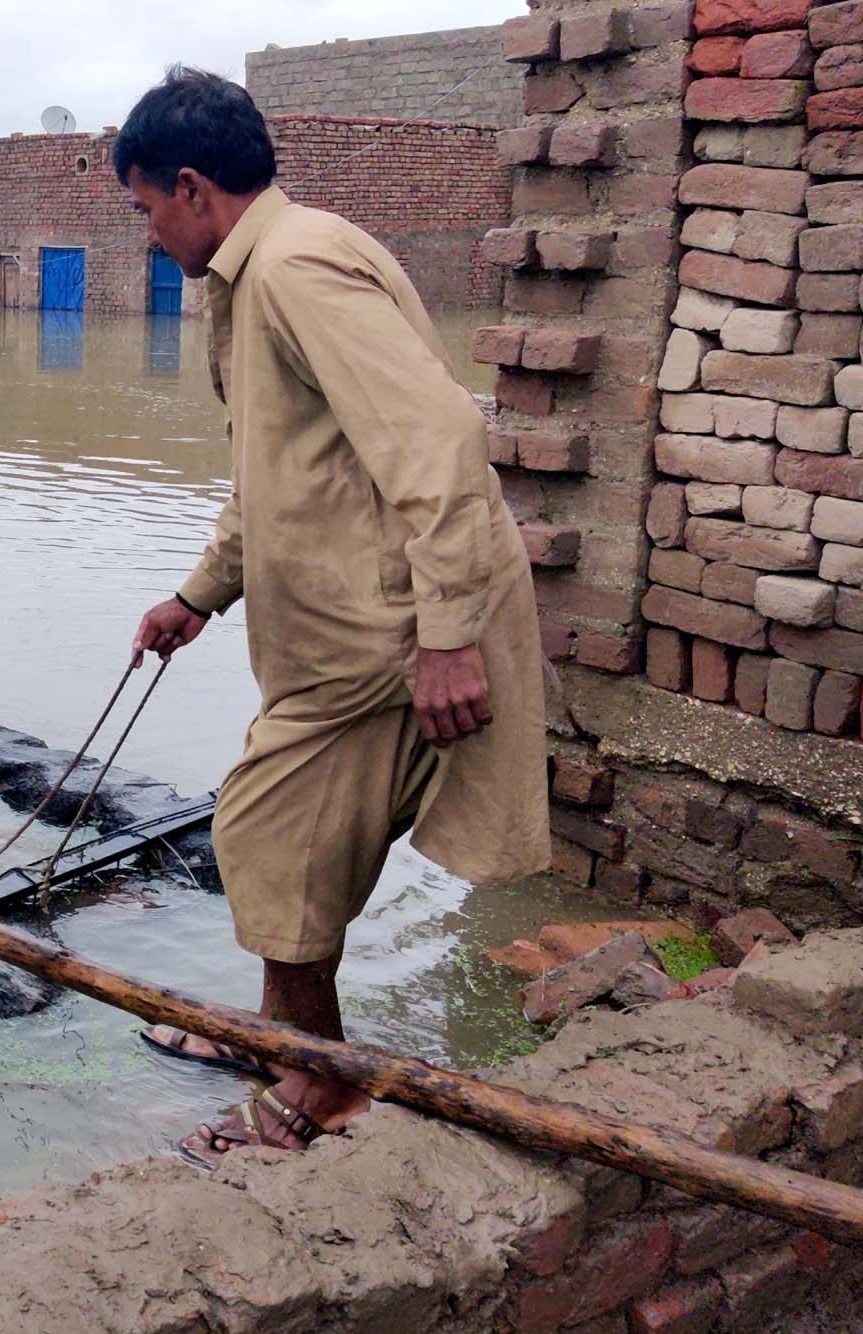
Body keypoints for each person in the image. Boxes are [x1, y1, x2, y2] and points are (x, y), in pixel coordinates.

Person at [117, 68, 548, 1164]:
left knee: (266, 830)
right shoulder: (267, 265)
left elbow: (437, 440)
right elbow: (274, 472)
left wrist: (447, 633)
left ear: (189, 187)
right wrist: (194, 595)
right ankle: (287, 1043)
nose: (149, 232)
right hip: (347, 627)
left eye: (145, 209)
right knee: (294, 844)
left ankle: (316, 1081)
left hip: (384, 629)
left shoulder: (295, 269)